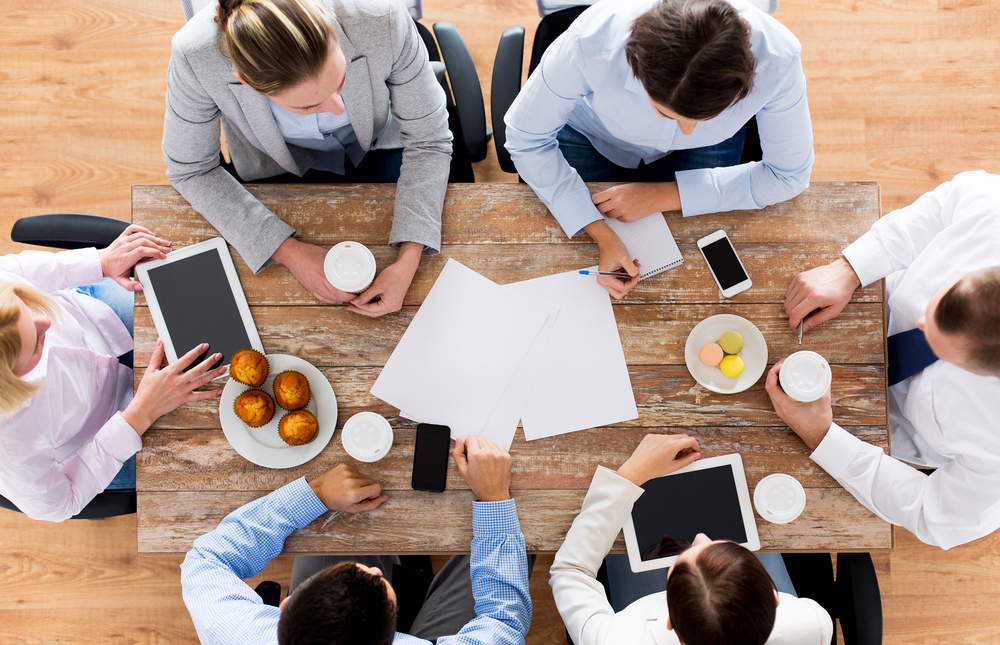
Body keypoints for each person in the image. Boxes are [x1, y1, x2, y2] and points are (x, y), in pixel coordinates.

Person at [504, 0, 813, 300]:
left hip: (708, 150)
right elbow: (525, 138)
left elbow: (788, 176)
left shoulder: (779, 59)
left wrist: (665, 195)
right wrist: (599, 231)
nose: (687, 131)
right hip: (591, 134)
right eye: (666, 113)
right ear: (635, 67)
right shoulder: (591, 42)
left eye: (706, 117)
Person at [163, 0, 452, 317]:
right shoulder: (194, 55)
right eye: (307, 106)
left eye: (340, 82)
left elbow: (429, 138)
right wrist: (288, 252)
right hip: (275, 160)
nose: (337, 108)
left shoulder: (382, 17)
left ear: (321, 15)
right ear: (246, 81)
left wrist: (409, 259)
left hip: (379, 139)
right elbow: (190, 170)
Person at [771, 169, 1000, 549]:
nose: (923, 320)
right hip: (868, 307)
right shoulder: (993, 211)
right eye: (938, 302)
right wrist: (851, 268)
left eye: (939, 343)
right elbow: (942, 209)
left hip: (893, 436)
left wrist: (823, 436)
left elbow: (934, 514)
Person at [180, 434, 532, 644]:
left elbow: (206, 560)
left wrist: (315, 495)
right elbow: (504, 622)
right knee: (525, 532)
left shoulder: (237, 633)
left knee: (339, 520)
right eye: (376, 580)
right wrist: (494, 500)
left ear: (285, 608)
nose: (371, 570)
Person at [0, 225, 226, 522]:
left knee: (214, 308)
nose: (47, 323)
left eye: (28, 306)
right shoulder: (9, 447)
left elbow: (16, 269)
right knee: (214, 458)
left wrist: (101, 262)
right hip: (108, 428)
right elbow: (59, 504)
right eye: (36, 344)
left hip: (98, 318)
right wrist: (141, 413)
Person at [551, 433, 832, 645]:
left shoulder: (619, 638)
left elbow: (570, 571)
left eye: (677, 564)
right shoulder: (813, 623)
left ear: (670, 620)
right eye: (717, 545)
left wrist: (633, 473)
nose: (700, 536)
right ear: (776, 601)